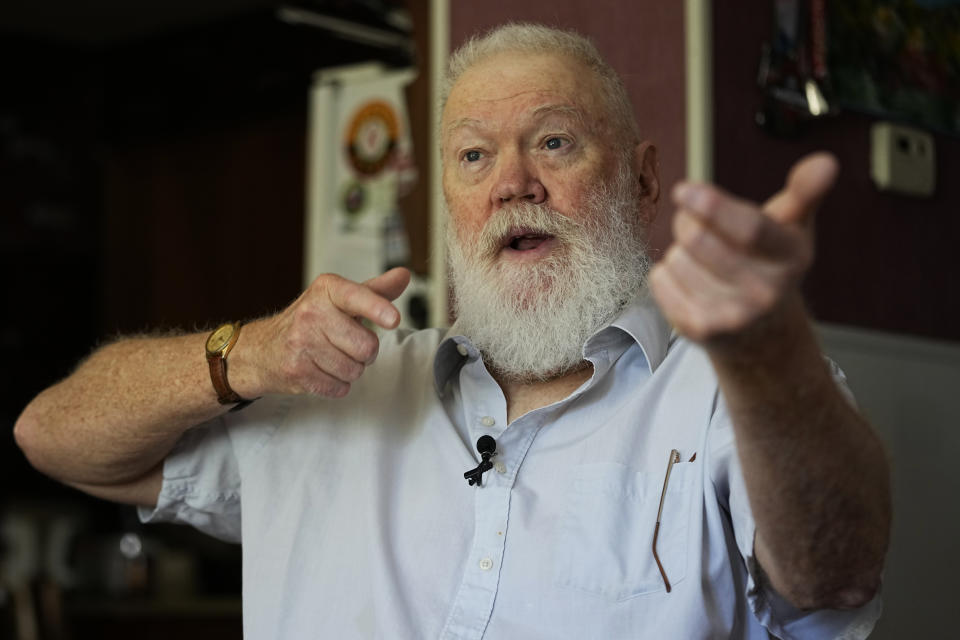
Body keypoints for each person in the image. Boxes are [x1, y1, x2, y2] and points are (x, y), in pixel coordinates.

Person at [15, 22, 889, 639]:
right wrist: (243, 356)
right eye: (474, 155)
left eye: (554, 143)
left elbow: (832, 578)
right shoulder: (334, 386)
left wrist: (767, 349)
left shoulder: (731, 389)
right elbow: (53, 438)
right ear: (445, 195)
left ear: (642, 181)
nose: (513, 183)